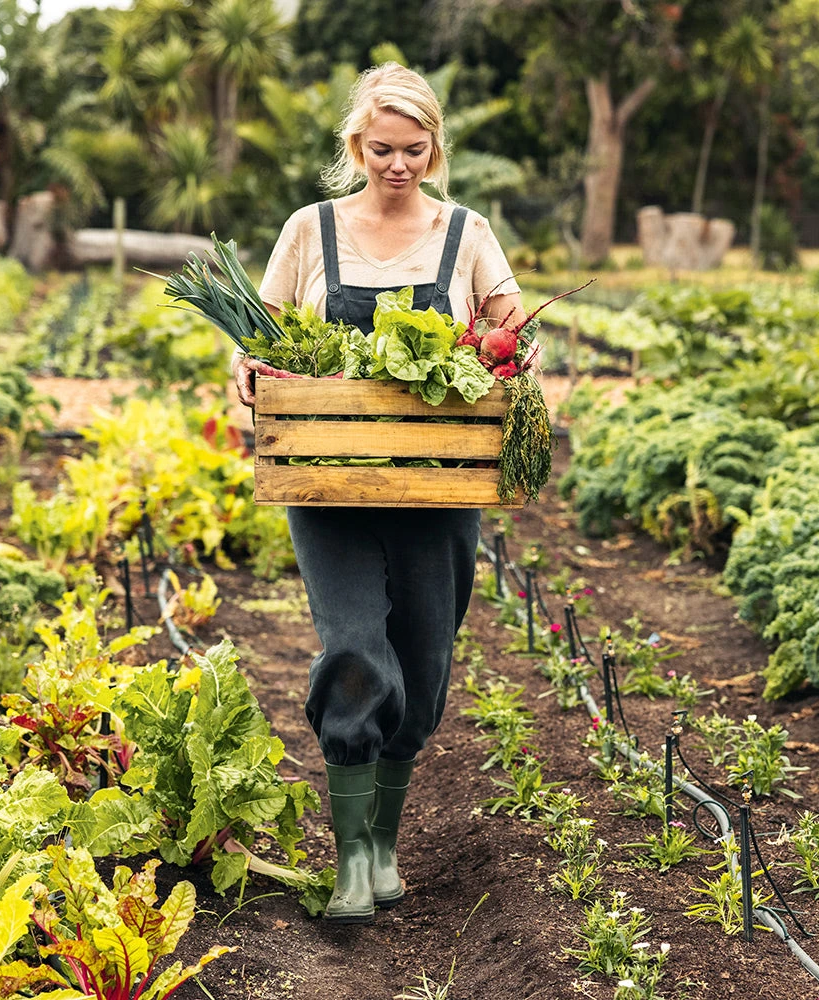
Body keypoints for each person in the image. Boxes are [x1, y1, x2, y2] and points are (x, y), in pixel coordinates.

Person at [233, 62, 526, 924]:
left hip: (439, 488)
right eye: (381, 148)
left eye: (413, 149)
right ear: (356, 147)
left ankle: (387, 840)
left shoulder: (466, 234)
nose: (397, 164)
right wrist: (247, 374)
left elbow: (509, 320)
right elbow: (254, 342)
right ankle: (352, 860)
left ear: (435, 148)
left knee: (426, 668)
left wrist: (518, 346)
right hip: (329, 483)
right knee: (357, 650)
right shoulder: (309, 229)